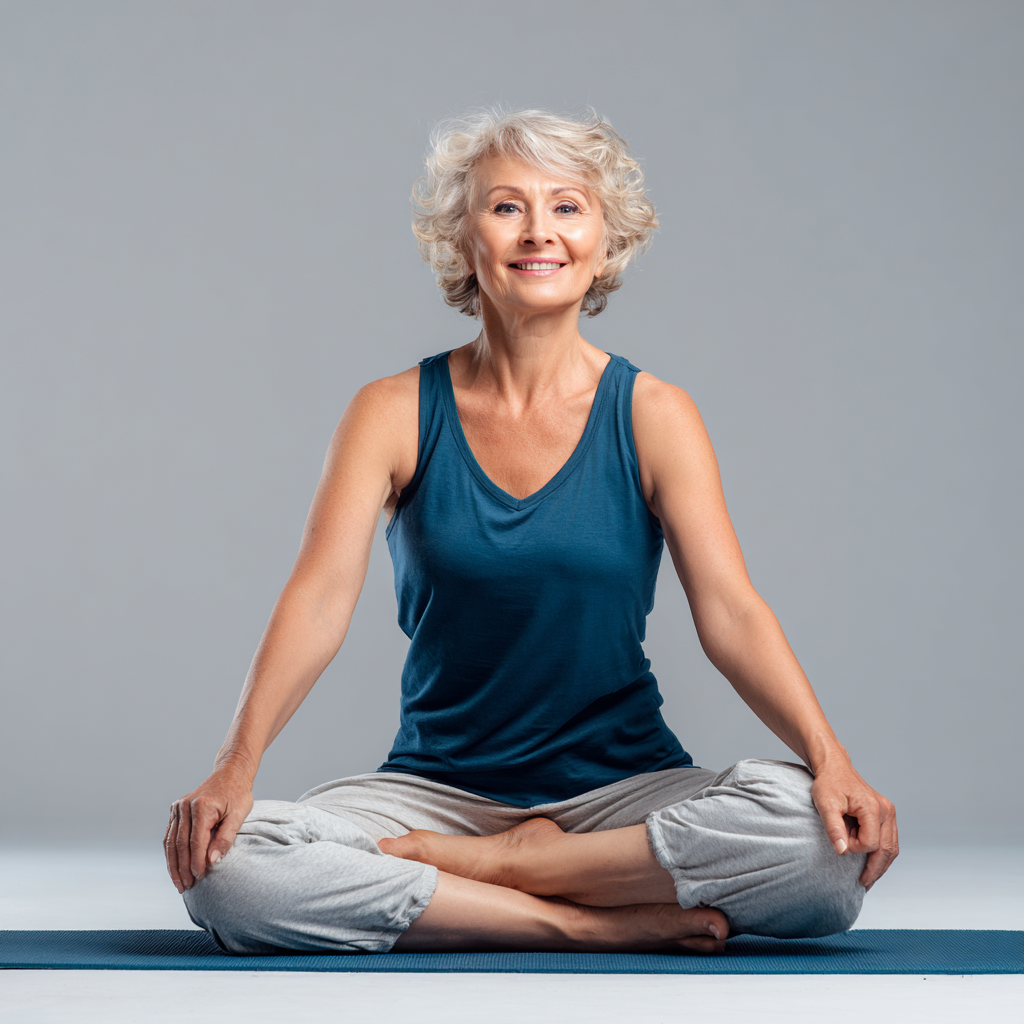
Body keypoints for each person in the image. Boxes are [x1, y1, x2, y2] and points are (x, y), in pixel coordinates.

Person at [164, 109, 898, 955]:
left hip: (623, 794)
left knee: (818, 849)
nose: (539, 231)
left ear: (605, 241)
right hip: (436, 793)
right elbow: (320, 598)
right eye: (507, 207)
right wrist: (236, 763)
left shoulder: (654, 414)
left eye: (568, 207)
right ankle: (574, 918)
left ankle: (505, 871)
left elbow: (731, 611)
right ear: (460, 237)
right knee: (229, 870)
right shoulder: (392, 411)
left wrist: (830, 758)